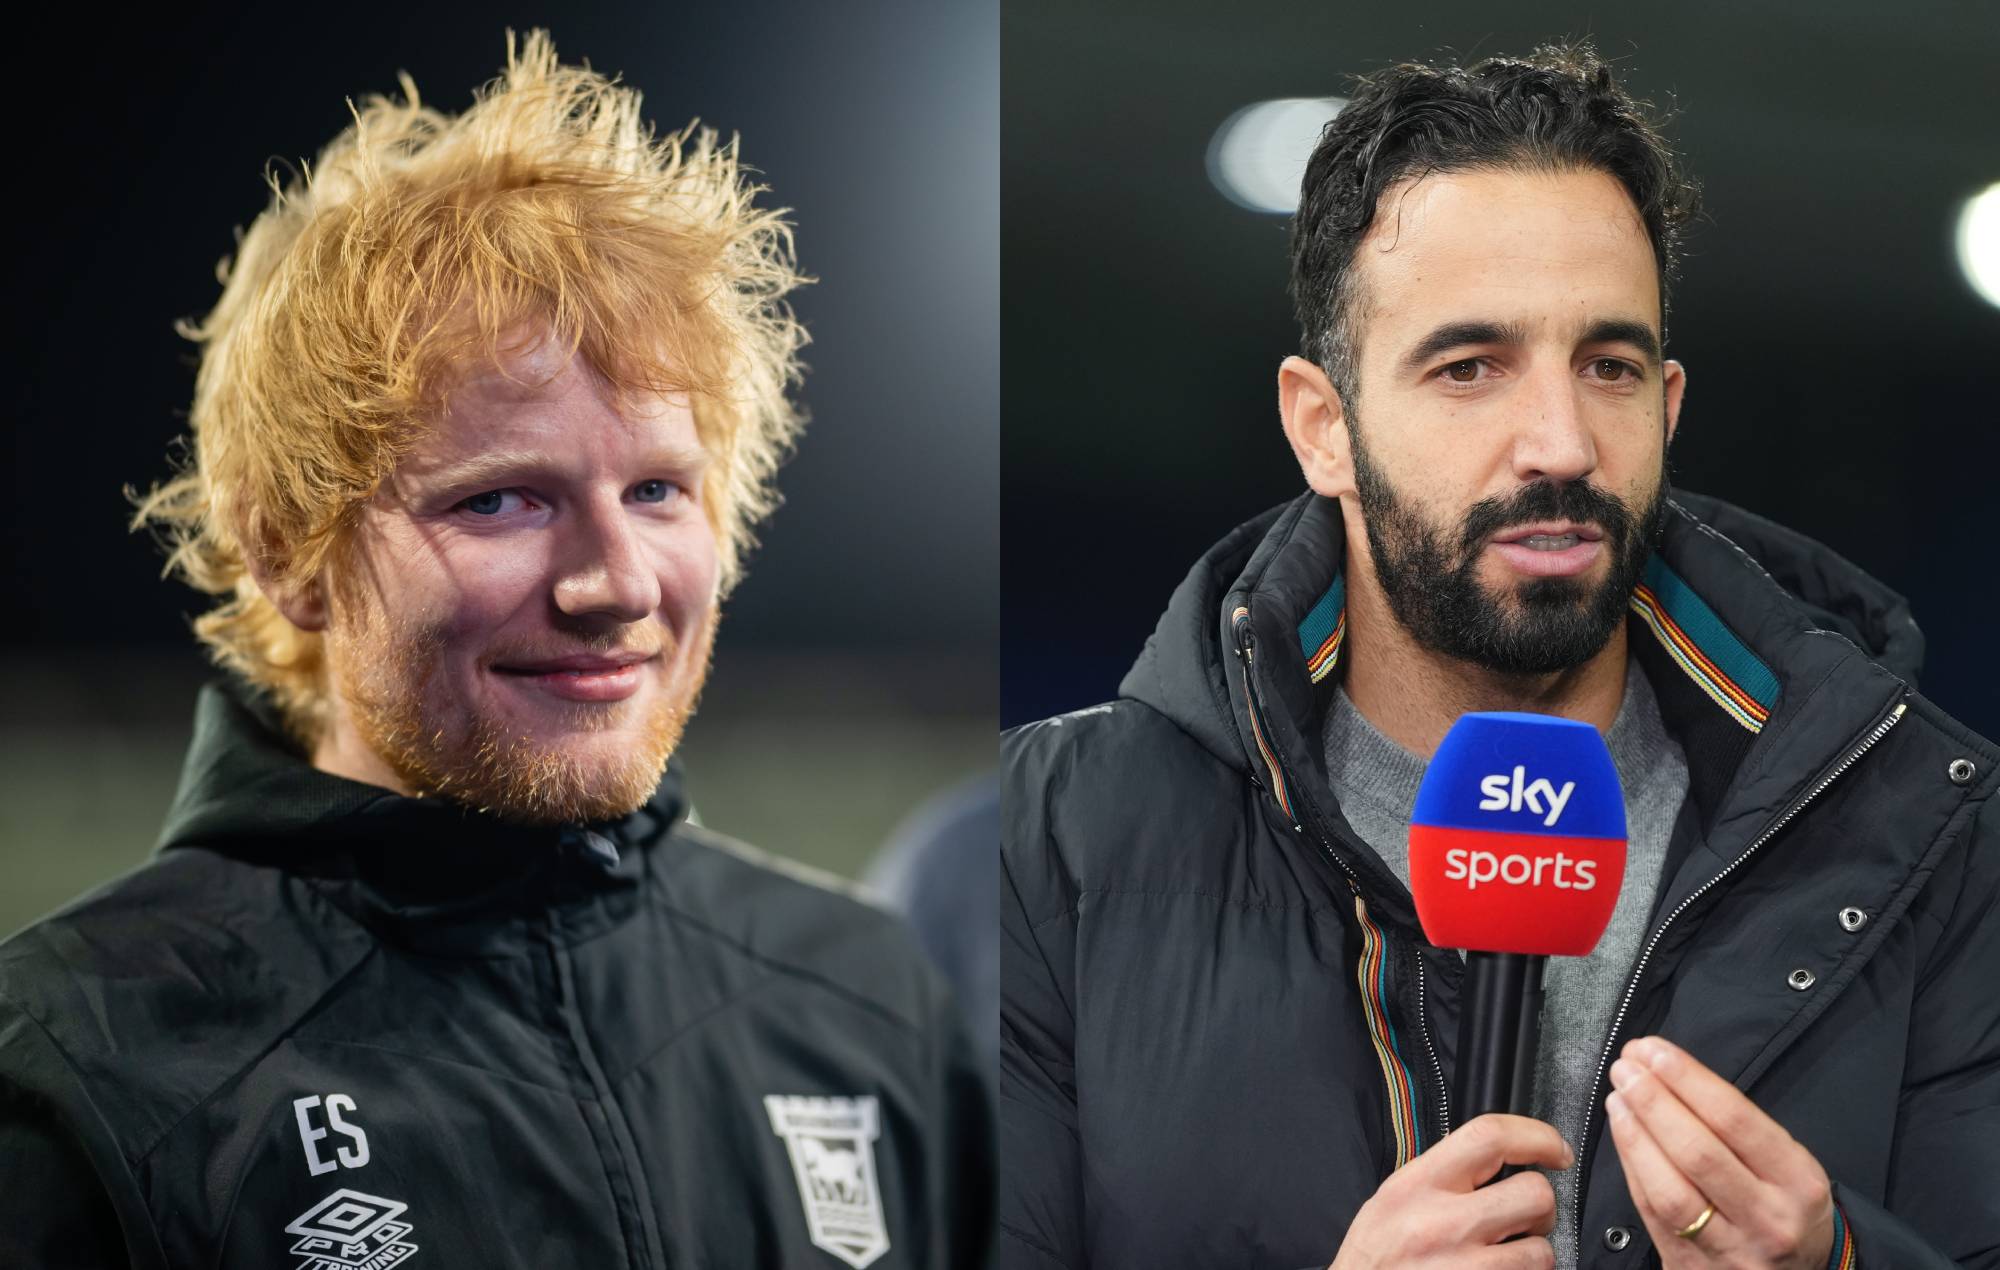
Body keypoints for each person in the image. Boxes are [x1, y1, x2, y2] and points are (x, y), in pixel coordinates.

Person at [0, 31, 991, 1270]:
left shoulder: (867, 999)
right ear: (287, 551)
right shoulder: (72, 1067)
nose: (613, 582)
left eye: (658, 491)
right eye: (499, 500)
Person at [1000, 42, 1997, 1270]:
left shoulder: (1934, 836)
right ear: (1322, 427)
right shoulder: (1050, 845)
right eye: (1469, 367)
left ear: (1668, 407)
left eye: (1607, 366)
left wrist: (1842, 1264)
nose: (1561, 442)